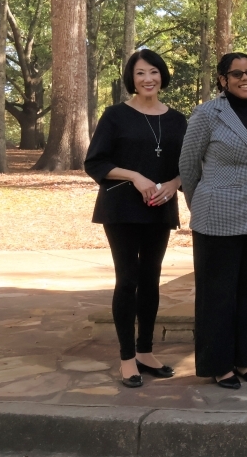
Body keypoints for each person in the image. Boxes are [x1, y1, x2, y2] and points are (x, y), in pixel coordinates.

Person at [84, 49, 187, 388]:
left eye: (154, 72)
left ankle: (145, 351)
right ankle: (127, 356)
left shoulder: (177, 120)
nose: (148, 79)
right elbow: (95, 162)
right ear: (132, 77)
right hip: (122, 210)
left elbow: (187, 167)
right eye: (141, 73)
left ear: (162, 76)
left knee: (151, 279)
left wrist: (173, 185)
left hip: (160, 207)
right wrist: (135, 176)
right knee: (128, 279)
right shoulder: (114, 116)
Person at [179, 52, 247, 390]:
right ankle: (219, 365)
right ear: (223, 79)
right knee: (218, 295)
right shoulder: (208, 114)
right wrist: (200, 203)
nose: (244, 79)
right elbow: (189, 166)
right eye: (236, 74)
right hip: (217, 217)